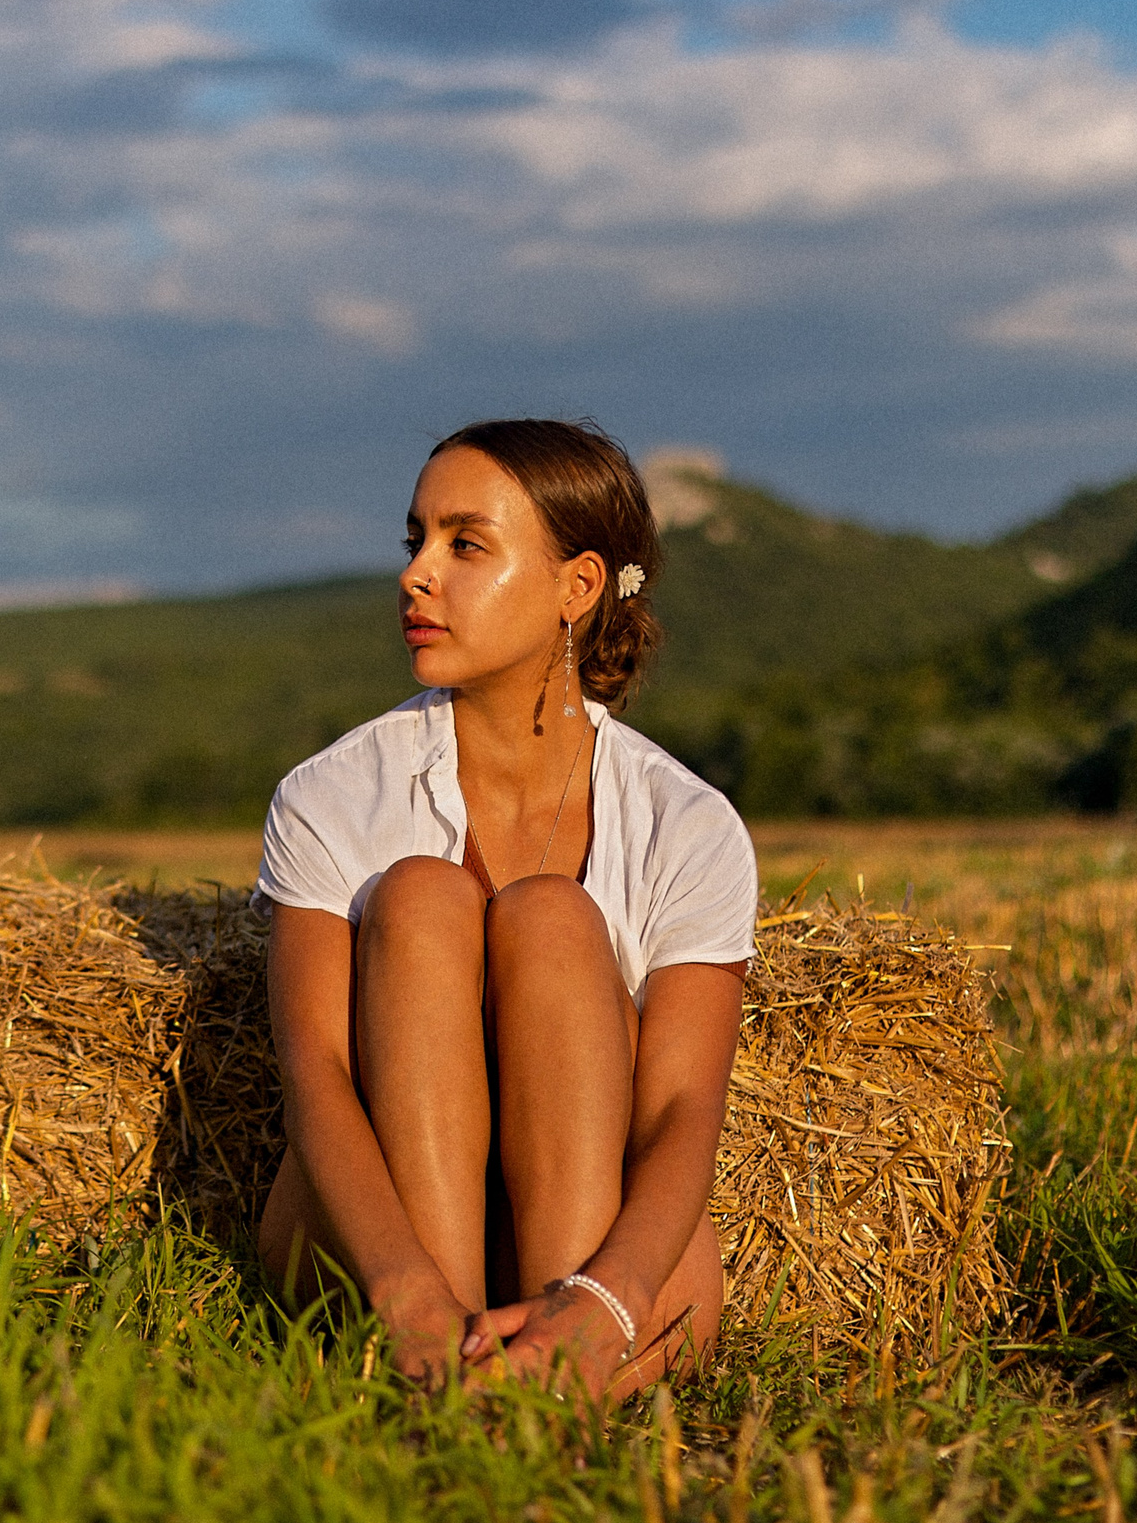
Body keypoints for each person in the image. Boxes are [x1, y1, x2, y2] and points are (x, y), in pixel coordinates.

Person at [252, 418, 759, 1400]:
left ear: (576, 587)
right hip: (371, 1245)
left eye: (464, 544)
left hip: (604, 1253)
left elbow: (682, 1108)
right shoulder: (328, 794)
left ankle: (555, 1367)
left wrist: (606, 1300)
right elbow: (310, 1072)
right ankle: (434, 1369)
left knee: (552, 920)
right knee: (420, 894)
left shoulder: (686, 823)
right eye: (416, 542)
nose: (415, 574)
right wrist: (405, 1292)